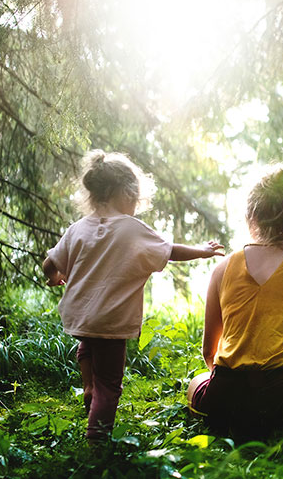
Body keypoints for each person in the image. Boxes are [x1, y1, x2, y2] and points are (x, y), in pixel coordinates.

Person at [42, 150, 224, 442]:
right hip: (110, 320)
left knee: (87, 345)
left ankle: (88, 385)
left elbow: (49, 264)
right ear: (126, 193)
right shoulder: (131, 228)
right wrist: (202, 251)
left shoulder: (77, 228)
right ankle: (96, 443)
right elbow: (170, 250)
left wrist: (56, 277)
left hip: (81, 316)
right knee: (110, 385)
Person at [186, 165, 283, 441]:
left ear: (250, 215)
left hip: (227, 398)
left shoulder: (222, 269)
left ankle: (232, 416)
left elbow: (209, 353)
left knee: (196, 382)